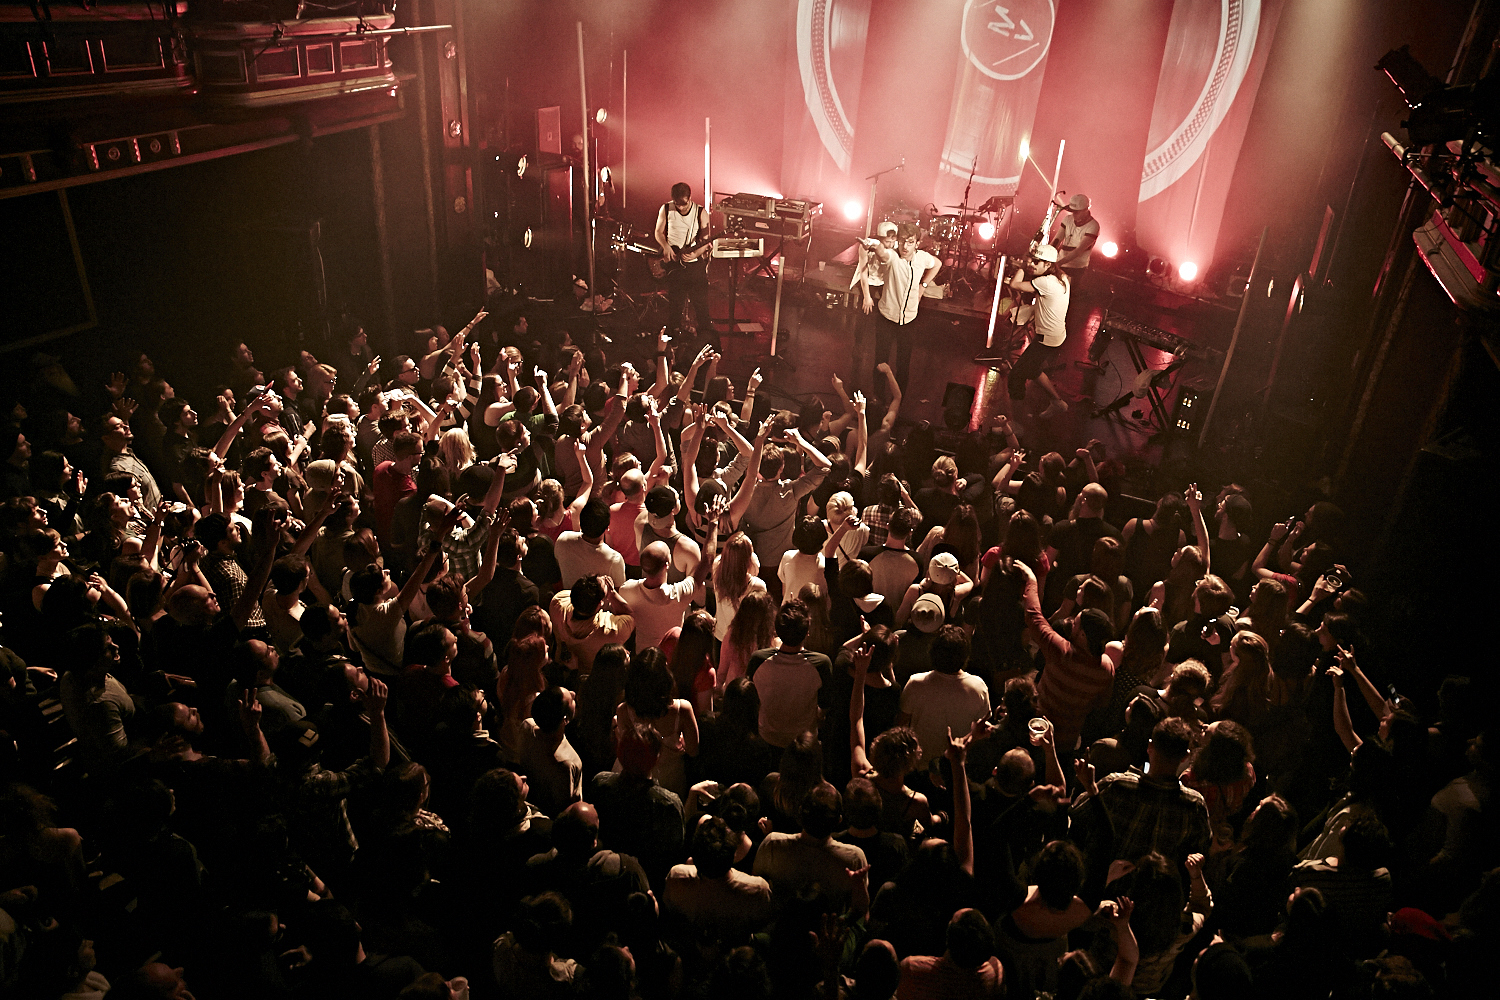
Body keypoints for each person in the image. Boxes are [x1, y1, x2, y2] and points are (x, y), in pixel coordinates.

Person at [860, 222, 940, 389]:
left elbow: (937, 264)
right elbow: (883, 254)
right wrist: (874, 244)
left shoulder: (922, 258)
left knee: (903, 363)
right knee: (880, 360)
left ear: (917, 244)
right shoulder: (893, 257)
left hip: (909, 320)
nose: (905, 246)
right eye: (902, 241)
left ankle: (899, 400)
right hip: (886, 318)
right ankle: (878, 398)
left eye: (910, 242)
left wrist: (923, 286)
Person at [1004, 244, 1071, 418]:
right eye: (1031, 261)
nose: (1032, 264)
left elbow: (1015, 284)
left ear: (1048, 265)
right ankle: (1058, 403)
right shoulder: (1061, 277)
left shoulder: (1046, 282)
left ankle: (1016, 423)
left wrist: (1021, 266)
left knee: (1016, 377)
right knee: (1032, 369)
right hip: (1055, 335)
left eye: (1036, 261)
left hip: (1046, 339)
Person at [654, 182, 715, 341]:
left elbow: (707, 242)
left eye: (684, 203)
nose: (680, 207)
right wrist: (665, 247)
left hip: (694, 266)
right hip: (675, 264)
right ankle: (672, 341)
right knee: (675, 305)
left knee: (701, 305)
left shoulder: (701, 212)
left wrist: (696, 253)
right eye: (677, 204)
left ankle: (706, 339)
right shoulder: (666, 209)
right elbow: (658, 232)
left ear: (690, 198)